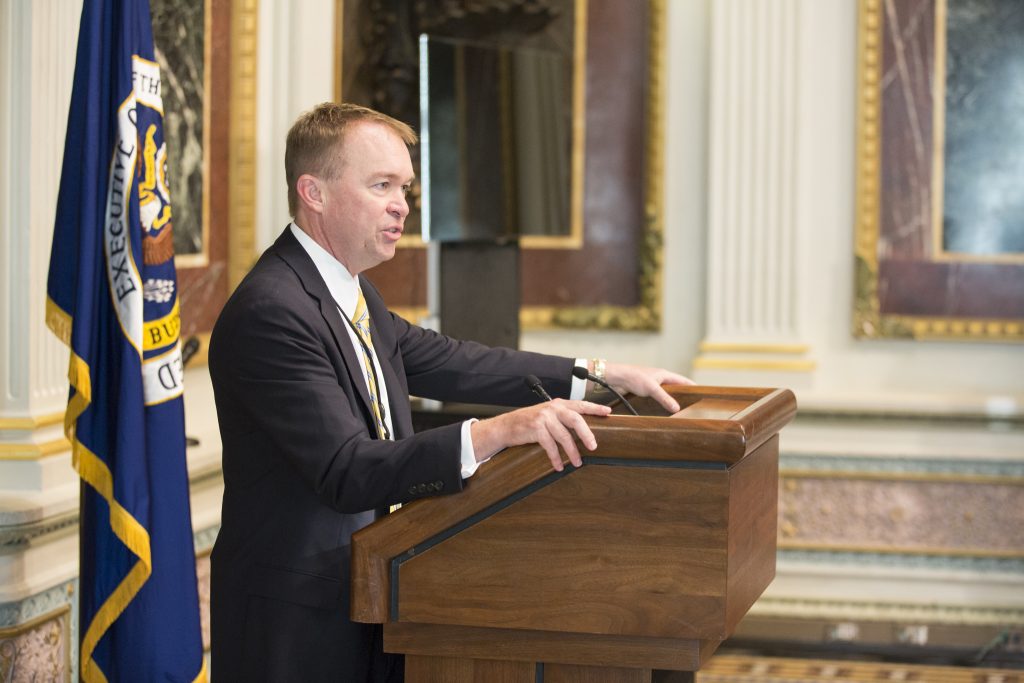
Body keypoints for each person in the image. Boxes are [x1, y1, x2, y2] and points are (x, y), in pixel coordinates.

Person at [208, 102, 692, 682]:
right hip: (299, 619)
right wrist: (502, 431)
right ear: (313, 192)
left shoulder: (351, 292)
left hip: (375, 587)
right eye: (381, 185)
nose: (401, 205)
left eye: (405, 188)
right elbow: (347, 469)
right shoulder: (274, 309)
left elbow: (454, 362)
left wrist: (601, 373)